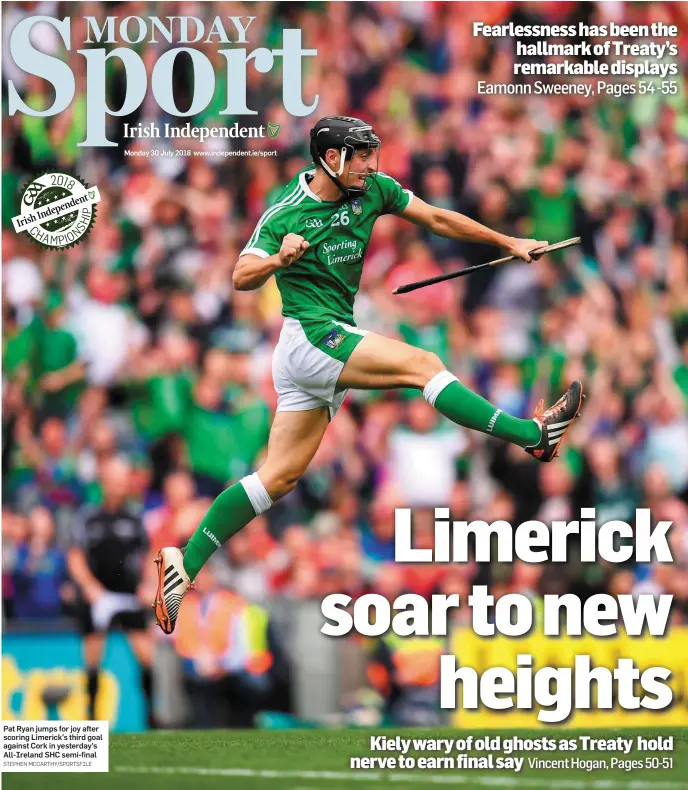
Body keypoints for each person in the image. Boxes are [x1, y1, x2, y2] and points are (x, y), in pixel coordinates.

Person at [153, 115, 585, 634]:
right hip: (310, 337)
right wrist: (277, 259)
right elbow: (240, 275)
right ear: (330, 159)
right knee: (423, 365)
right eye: (360, 156)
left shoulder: (371, 191)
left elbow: (438, 219)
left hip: (319, 347)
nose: (370, 165)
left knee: (277, 479)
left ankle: (185, 561)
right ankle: (533, 436)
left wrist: (507, 241)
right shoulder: (286, 213)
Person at [68, 457, 156, 725]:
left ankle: (151, 716)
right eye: (114, 481)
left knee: (146, 656)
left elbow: (150, 554)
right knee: (93, 656)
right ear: (103, 483)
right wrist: (89, 586)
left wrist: (148, 584)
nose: (119, 486)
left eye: (122, 481)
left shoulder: (135, 518)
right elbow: (75, 556)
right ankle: (92, 716)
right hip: (98, 596)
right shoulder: (87, 517)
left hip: (129, 594)